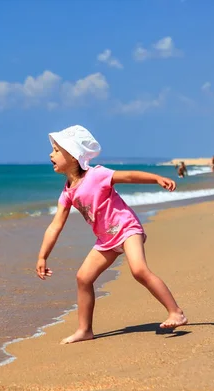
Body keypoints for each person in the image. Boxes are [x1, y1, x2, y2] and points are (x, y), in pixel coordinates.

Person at [36, 125, 188, 344]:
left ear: (73, 155)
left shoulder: (97, 175)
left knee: (138, 270)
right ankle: (85, 330)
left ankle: (176, 312)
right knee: (83, 278)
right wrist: (43, 256)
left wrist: (155, 178)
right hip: (106, 239)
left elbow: (127, 176)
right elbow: (55, 225)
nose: (51, 154)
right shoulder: (68, 190)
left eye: (57, 150)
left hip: (126, 228)